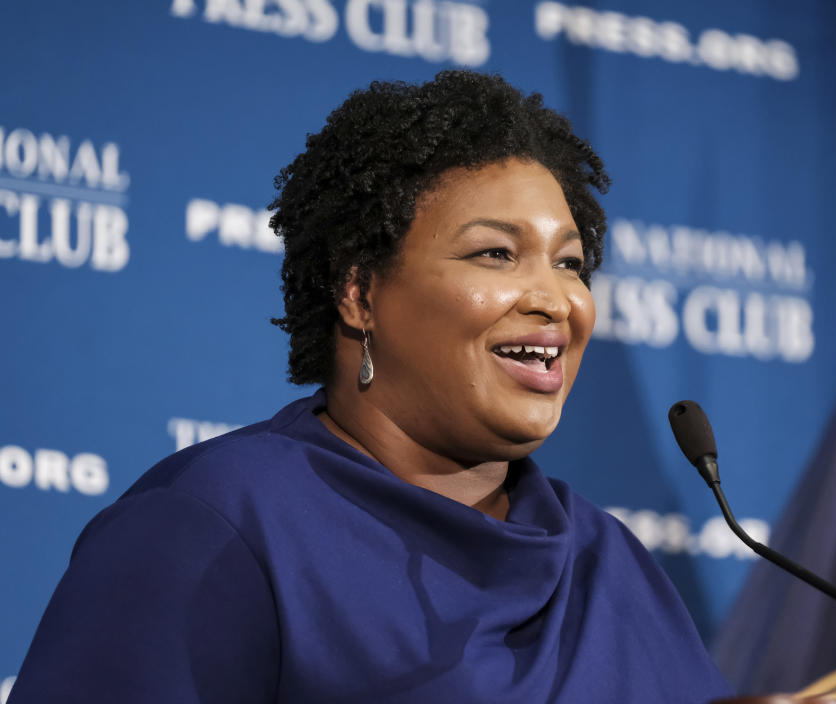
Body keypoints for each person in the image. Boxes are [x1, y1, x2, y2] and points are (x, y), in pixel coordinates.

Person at [9, 71, 730, 703]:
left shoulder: (608, 561)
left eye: (571, 264)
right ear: (358, 292)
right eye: (495, 254)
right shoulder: (219, 521)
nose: (554, 299)